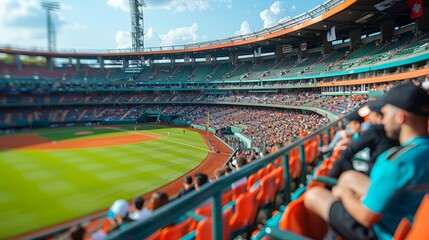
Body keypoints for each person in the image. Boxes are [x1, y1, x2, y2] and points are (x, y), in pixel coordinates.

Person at [304, 83, 429, 240]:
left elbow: (367, 217)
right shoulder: (419, 152)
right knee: (349, 176)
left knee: (313, 195)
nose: (384, 121)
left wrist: (344, 194)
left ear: (400, 117)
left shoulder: (397, 161)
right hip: (408, 218)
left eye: (386, 114)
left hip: (382, 232)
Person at [328, 100, 400, 178]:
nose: (368, 118)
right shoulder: (391, 130)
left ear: (375, 115)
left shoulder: (376, 130)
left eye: (369, 115)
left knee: (340, 162)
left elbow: (349, 152)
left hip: (375, 175)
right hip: (386, 173)